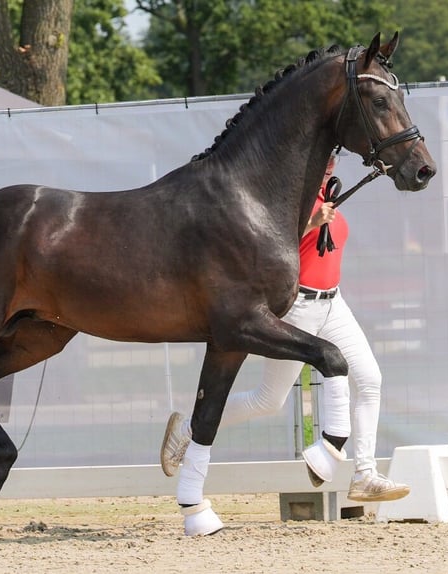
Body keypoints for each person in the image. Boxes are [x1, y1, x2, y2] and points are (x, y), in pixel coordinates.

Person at [161, 150, 410, 504]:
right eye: (322, 158)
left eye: (332, 158)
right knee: (269, 400)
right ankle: (187, 428)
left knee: (370, 380)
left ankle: (365, 474)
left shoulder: (329, 194)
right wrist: (309, 223)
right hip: (298, 307)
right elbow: (268, 245)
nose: (330, 163)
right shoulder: (291, 196)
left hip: (334, 304)